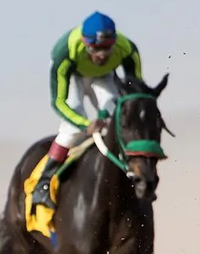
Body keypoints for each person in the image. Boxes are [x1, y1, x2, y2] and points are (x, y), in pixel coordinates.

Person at [30, 12, 145, 210]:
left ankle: (133, 171)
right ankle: (43, 183)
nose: (101, 54)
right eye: (95, 48)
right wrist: (85, 125)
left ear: (114, 43)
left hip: (104, 76)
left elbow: (135, 92)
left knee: (118, 114)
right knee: (73, 127)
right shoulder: (64, 52)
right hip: (73, 75)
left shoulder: (127, 49)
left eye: (106, 48)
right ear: (85, 43)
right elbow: (58, 102)